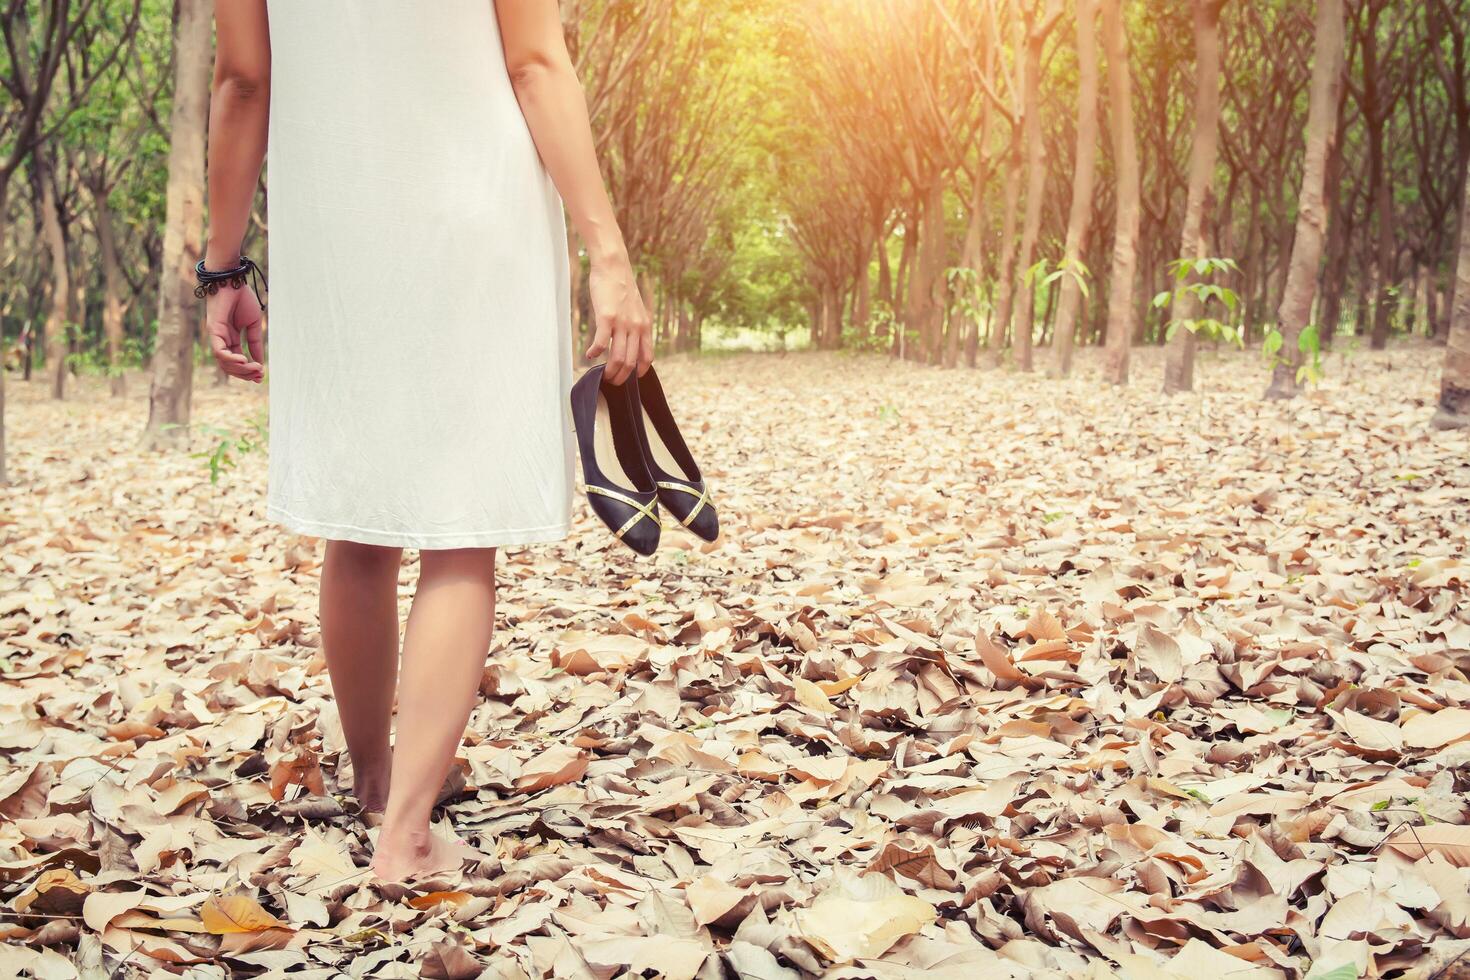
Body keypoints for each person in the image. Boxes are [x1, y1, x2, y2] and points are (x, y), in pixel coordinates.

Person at [202, 0, 653, 881]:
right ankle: (407, 831)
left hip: (338, 232)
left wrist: (223, 267)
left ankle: (378, 786)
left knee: (359, 520)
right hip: (474, 217)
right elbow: (535, 65)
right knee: (459, 529)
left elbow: (244, 79)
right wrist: (609, 255)